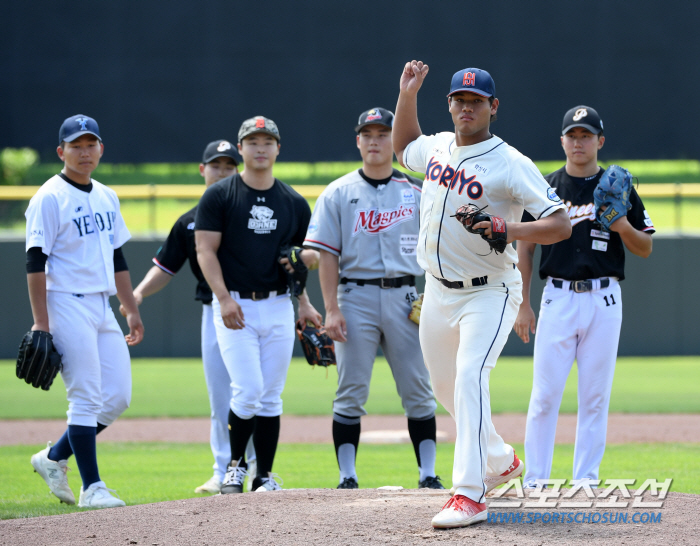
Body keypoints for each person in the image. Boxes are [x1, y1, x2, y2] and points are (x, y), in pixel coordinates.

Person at [392, 62, 572, 528]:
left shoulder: (511, 163)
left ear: (493, 107)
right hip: (436, 289)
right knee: (444, 387)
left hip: (489, 291)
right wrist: (407, 94)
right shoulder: (435, 147)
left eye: (475, 101)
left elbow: (559, 224)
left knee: (471, 375)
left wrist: (506, 227)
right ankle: (498, 456)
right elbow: (403, 146)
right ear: (450, 104)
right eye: (459, 100)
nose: (466, 107)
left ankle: (469, 494)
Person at [514, 105, 654, 490]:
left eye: (586, 136)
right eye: (572, 136)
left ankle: (585, 481)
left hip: (604, 300)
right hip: (556, 298)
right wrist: (523, 304)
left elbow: (644, 248)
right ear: (562, 140)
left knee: (594, 397)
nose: (579, 142)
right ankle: (536, 482)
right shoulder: (544, 188)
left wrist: (622, 223)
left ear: (599, 141)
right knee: (544, 397)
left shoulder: (618, 185)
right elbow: (524, 248)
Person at [303, 107, 443, 490]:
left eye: (384, 133)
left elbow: (438, 247)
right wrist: (331, 309)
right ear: (358, 141)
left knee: (418, 388)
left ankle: (427, 474)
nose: (376, 140)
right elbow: (326, 255)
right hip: (355, 297)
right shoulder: (337, 192)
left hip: (406, 296)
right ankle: (347, 476)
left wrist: (435, 296)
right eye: (369, 134)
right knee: (350, 390)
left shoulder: (418, 191)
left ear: (393, 140)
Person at [195, 116, 322, 493]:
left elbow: (306, 257)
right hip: (235, 305)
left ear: (278, 148)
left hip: (279, 304)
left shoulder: (293, 202)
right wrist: (223, 299)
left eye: (268, 141)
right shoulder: (220, 195)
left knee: (270, 394)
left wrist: (304, 300)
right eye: (253, 141)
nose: (261, 147)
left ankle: (263, 475)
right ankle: (235, 467)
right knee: (247, 389)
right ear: (241, 148)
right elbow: (205, 249)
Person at [121, 140, 256, 494]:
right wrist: (137, 293)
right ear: (203, 170)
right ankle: (221, 468)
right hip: (214, 311)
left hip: (256, 309)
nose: (223, 172)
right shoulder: (190, 221)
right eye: (216, 166)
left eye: (229, 166)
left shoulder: (254, 211)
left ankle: (257, 469)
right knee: (220, 396)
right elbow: (165, 267)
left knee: (254, 393)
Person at [26, 114, 144, 509]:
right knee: (85, 397)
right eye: (76, 145)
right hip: (64, 302)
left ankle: (54, 456)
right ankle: (92, 487)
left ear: (101, 150)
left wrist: (130, 309)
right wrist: (42, 323)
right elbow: (35, 262)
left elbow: (118, 256)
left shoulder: (107, 195)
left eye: (90, 144)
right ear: (61, 151)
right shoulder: (48, 196)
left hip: (101, 303)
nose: (84, 152)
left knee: (118, 396)